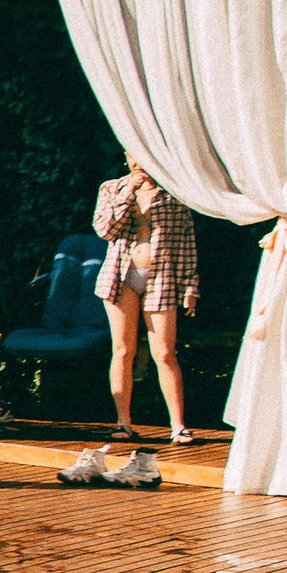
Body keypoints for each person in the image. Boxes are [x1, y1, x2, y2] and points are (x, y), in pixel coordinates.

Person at [94, 153, 199, 443]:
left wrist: (190, 285)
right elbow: (105, 230)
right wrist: (130, 191)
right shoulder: (112, 189)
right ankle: (123, 423)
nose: (138, 160)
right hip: (120, 275)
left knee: (165, 353)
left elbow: (186, 241)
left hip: (161, 276)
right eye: (131, 154)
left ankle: (178, 426)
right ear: (125, 156)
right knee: (123, 350)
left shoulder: (173, 191)